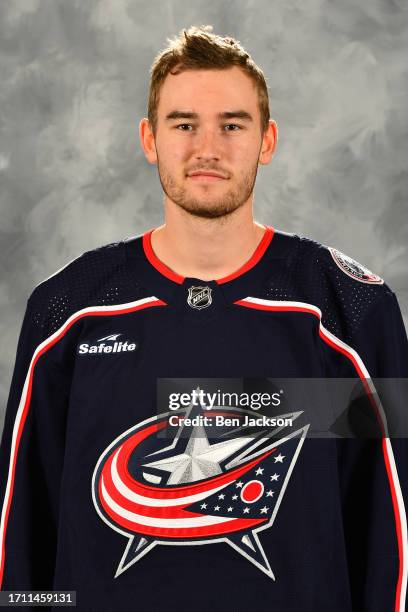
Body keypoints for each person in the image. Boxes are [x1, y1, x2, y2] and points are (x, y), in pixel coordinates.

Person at [0, 24, 407, 612]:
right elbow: (24, 544)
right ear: (150, 139)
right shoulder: (67, 312)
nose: (206, 149)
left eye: (232, 125)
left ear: (267, 140)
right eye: (183, 124)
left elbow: (391, 537)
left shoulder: (349, 311)